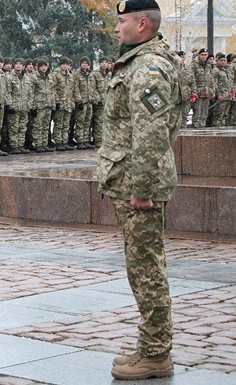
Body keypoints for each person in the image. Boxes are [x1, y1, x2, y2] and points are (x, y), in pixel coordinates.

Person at [98, 0, 182, 380]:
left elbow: (151, 133)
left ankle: (155, 353)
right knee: (142, 266)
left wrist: (142, 189)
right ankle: (150, 347)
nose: (116, 29)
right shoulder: (139, 61)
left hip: (137, 184)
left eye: (122, 21)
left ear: (142, 24)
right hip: (130, 178)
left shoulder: (148, 67)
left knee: (146, 269)